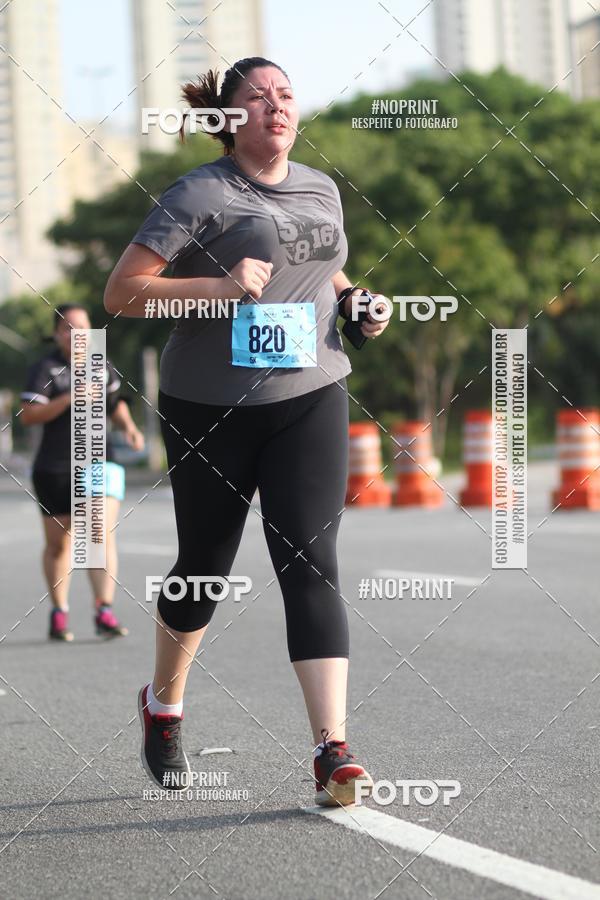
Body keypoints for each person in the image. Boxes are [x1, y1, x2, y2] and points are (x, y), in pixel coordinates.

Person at [104, 58, 391, 806]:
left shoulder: (321, 188)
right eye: (258, 99)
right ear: (230, 119)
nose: (276, 107)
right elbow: (124, 292)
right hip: (210, 407)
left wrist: (358, 301)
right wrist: (220, 291)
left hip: (310, 391)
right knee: (205, 562)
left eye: (287, 95)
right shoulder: (200, 192)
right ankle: (163, 708)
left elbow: (325, 270)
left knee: (311, 557)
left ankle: (332, 747)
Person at [20, 303, 145, 642]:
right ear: (59, 333)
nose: (80, 336)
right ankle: (59, 611)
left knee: (98, 531)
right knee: (59, 546)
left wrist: (129, 426)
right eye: (71, 329)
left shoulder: (101, 365)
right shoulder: (46, 368)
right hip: (54, 467)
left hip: (98, 461)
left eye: (85, 328)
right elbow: (29, 414)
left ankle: (104, 609)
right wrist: (72, 397)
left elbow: (115, 401)